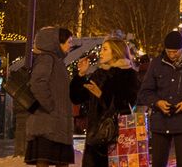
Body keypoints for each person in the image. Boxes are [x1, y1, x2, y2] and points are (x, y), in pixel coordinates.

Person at [137, 31, 182, 167]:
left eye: (175, 52)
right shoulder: (156, 64)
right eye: (169, 51)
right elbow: (145, 91)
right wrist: (157, 102)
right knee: (158, 163)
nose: (172, 55)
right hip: (160, 122)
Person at [72, 36, 141, 167]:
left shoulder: (128, 75)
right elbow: (77, 98)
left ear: (116, 52)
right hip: (95, 137)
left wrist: (101, 95)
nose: (100, 53)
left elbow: (126, 105)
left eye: (104, 49)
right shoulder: (99, 74)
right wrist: (81, 75)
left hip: (118, 138)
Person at [27, 26, 76, 167]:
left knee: (59, 161)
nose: (70, 45)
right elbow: (37, 83)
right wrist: (51, 106)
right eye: (68, 41)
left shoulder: (56, 61)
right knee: (46, 161)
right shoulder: (47, 59)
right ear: (56, 42)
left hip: (55, 123)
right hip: (48, 124)